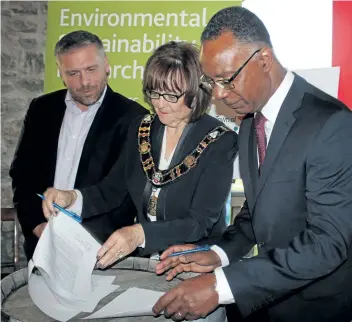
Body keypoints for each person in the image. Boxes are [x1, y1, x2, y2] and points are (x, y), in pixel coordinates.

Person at [153, 6, 352, 322]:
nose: (219, 93)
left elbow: (328, 242)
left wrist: (222, 286)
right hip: (264, 306)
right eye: (211, 82)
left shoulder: (332, 124)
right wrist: (217, 254)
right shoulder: (250, 122)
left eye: (227, 79)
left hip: (317, 310)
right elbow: (256, 212)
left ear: (264, 60)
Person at [41, 42, 238, 271]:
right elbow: (111, 191)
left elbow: (200, 223)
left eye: (171, 95)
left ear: (196, 93)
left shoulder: (219, 140)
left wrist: (139, 233)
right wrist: (71, 198)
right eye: (154, 92)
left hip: (194, 266)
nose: (159, 103)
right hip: (146, 265)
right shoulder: (141, 128)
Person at [10, 30, 146, 260]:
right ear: (60, 73)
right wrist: (37, 227)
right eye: (73, 73)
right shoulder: (41, 109)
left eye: (91, 70)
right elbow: (22, 176)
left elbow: (123, 195)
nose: (85, 82)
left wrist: (80, 241)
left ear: (107, 65)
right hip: (42, 248)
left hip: (100, 253)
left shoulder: (134, 118)